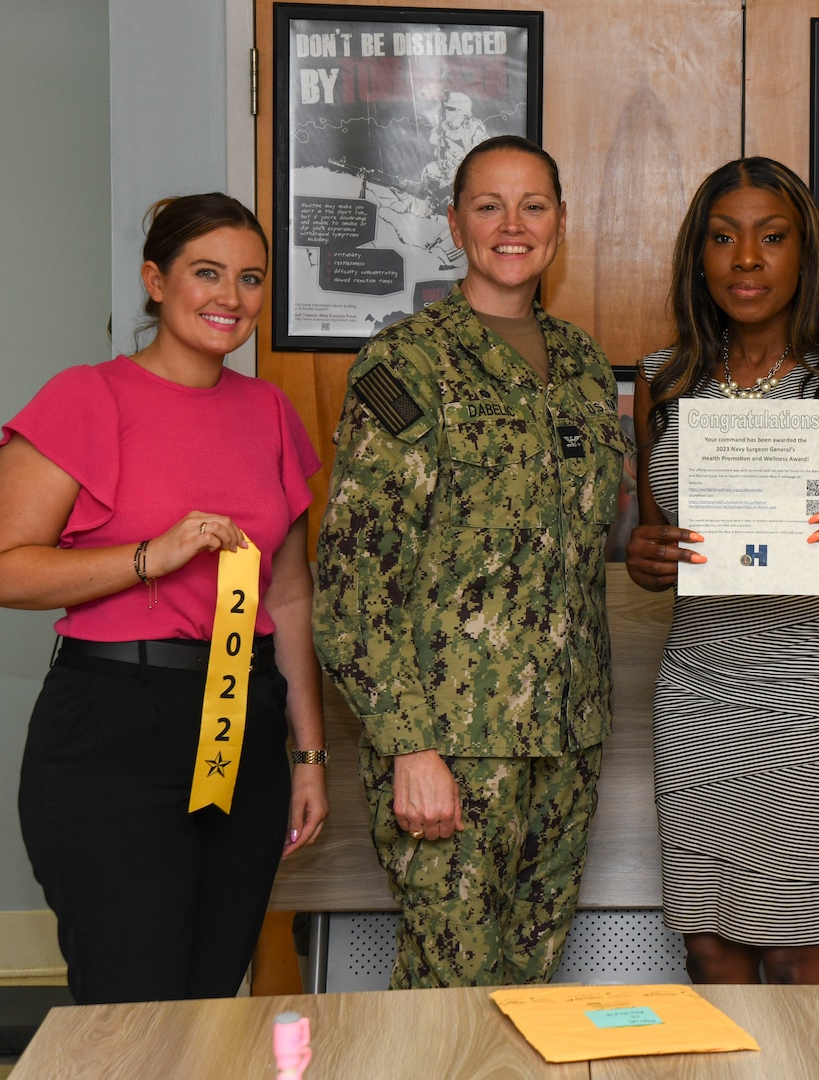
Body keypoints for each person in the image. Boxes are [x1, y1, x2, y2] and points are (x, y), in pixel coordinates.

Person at [0, 193, 328, 1003]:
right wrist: (147, 557)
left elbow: (293, 595)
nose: (230, 298)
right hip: (115, 728)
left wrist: (307, 755)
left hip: (245, 721)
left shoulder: (269, 410)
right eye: (206, 273)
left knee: (208, 999)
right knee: (134, 1003)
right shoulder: (84, 397)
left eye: (250, 279)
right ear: (155, 281)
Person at [314, 135, 628, 988]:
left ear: (560, 223)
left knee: (531, 990)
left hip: (566, 740)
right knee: (448, 998)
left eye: (533, 206)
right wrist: (410, 747)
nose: (512, 225)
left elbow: (590, 536)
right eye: (489, 206)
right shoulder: (406, 362)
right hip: (454, 744)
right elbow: (352, 581)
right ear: (455, 223)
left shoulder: (584, 365)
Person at [625, 157, 819, 985]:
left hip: (806, 685)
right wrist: (643, 557)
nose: (746, 260)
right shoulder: (663, 383)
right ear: (699, 257)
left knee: (797, 943)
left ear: (805, 255)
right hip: (698, 683)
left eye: (771, 238)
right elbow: (657, 544)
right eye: (723, 239)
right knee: (709, 941)